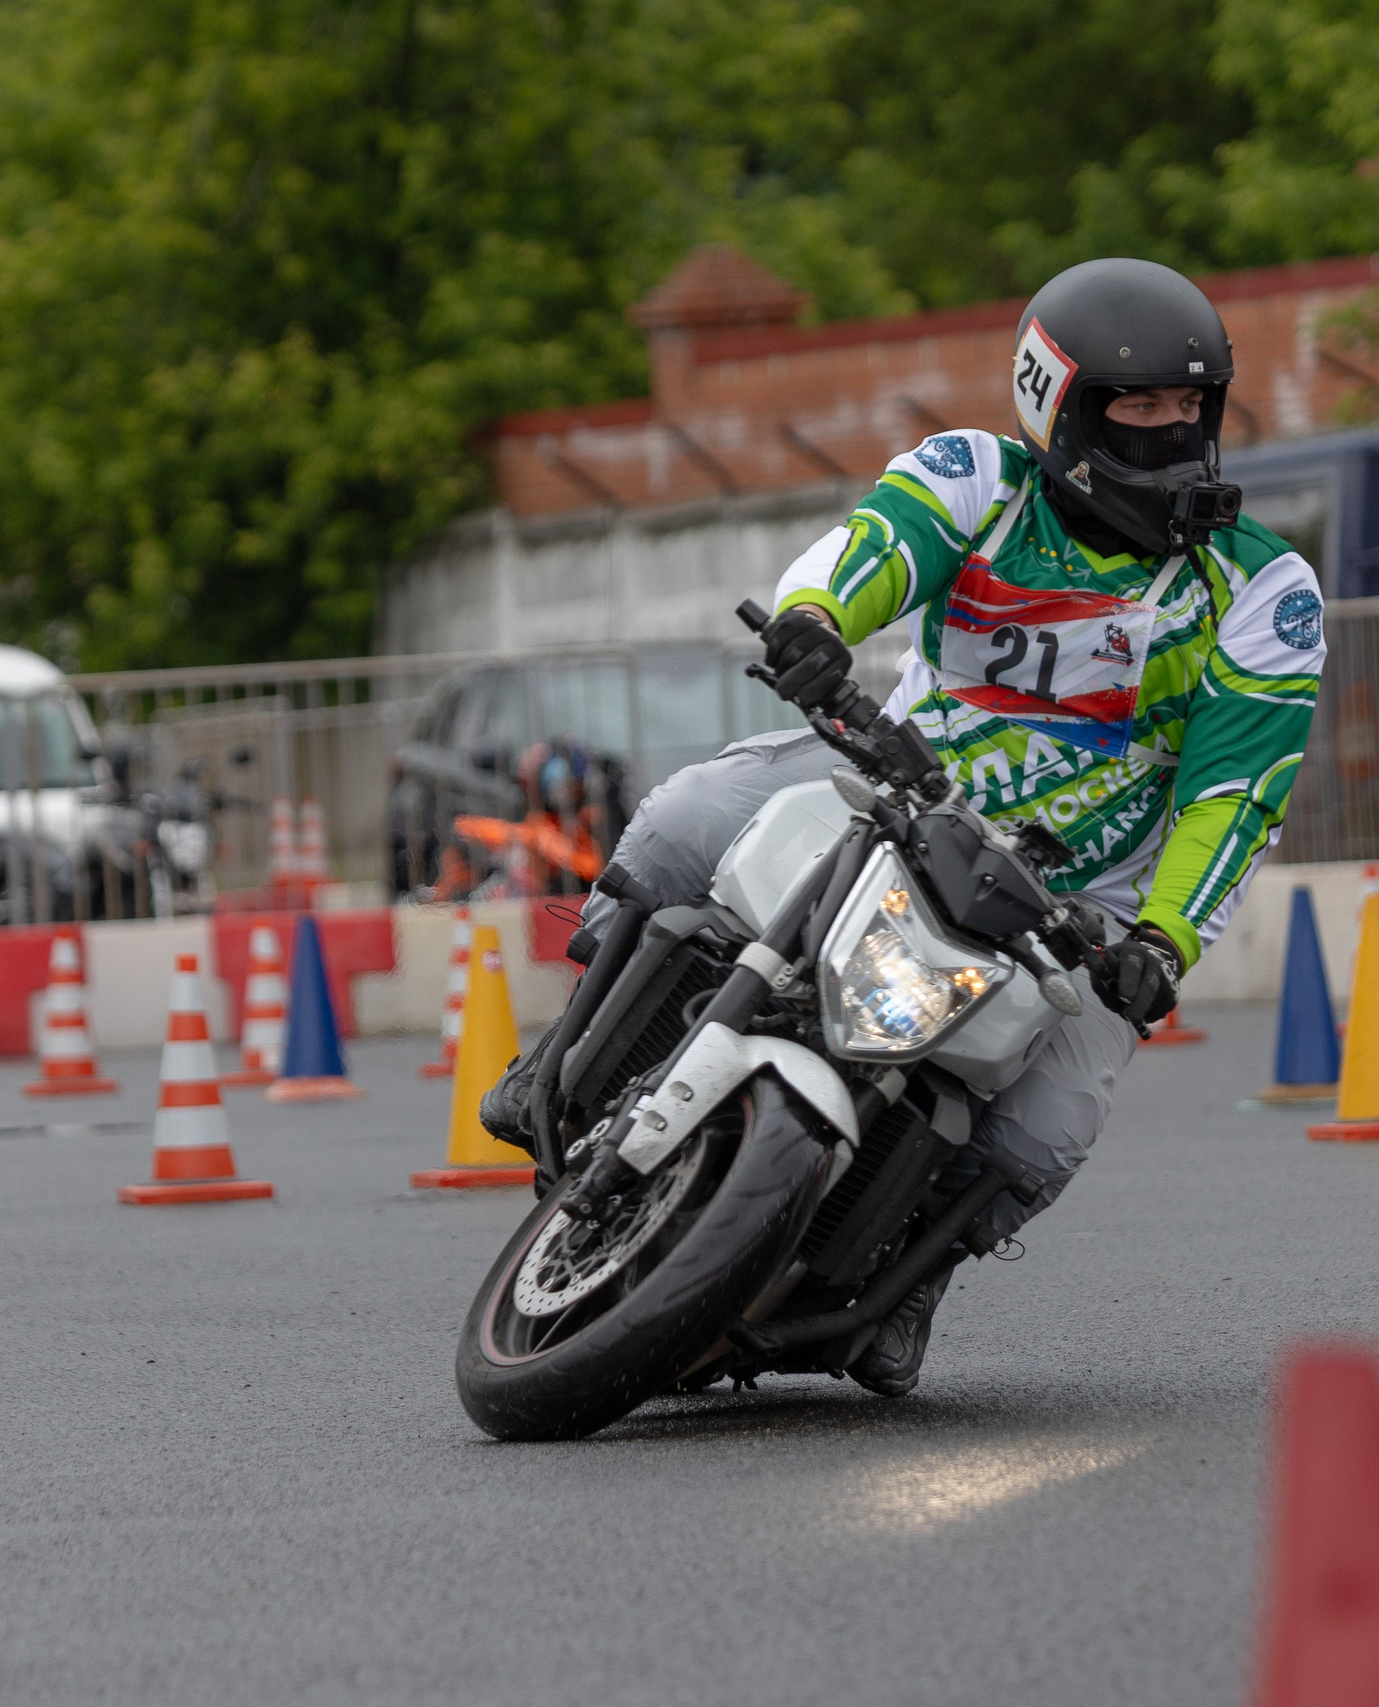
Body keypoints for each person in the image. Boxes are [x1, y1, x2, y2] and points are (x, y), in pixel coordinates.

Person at [490, 258, 1323, 1396]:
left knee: (1048, 1127)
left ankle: (911, 1278)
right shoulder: (978, 478)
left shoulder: (1264, 592)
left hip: (1081, 895)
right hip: (896, 780)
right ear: (1061, 407)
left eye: (1190, 403)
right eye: (1138, 405)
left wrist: (1164, 941)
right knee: (684, 817)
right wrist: (816, 619)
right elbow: (875, 547)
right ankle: (569, 1047)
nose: (1171, 430)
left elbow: (1234, 795)